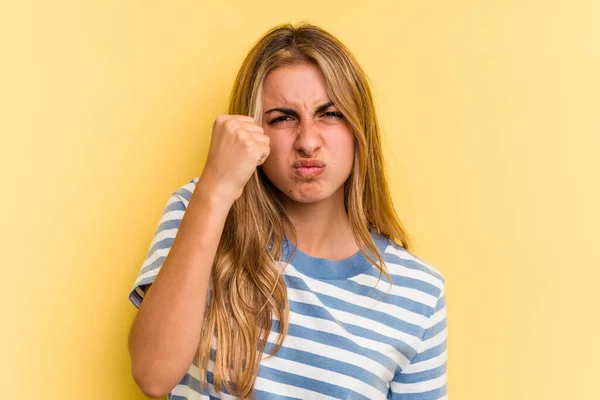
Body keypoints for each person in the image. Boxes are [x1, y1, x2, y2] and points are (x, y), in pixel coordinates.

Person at [127, 22, 447, 400]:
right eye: (282, 118)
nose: (308, 142)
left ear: (359, 128)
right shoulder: (200, 209)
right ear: (251, 130)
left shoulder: (418, 293)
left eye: (330, 114)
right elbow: (152, 375)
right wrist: (217, 186)